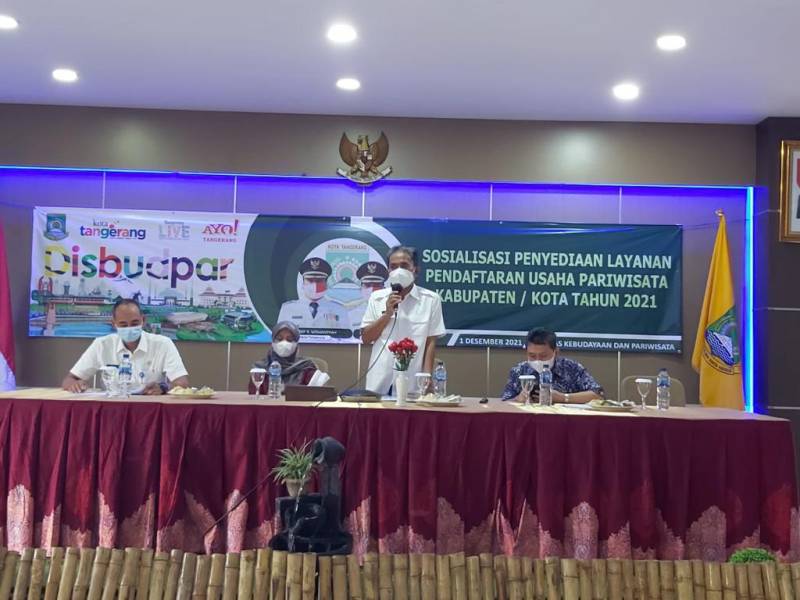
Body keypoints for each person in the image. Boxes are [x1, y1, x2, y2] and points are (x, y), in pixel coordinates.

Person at [361, 245, 446, 395]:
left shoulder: (431, 300)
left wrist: (427, 376)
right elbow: (367, 338)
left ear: (415, 270)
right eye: (393, 267)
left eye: (404, 266)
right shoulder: (377, 298)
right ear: (388, 271)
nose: (398, 271)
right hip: (380, 379)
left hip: (413, 380)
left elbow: (430, 342)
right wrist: (387, 314)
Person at [62, 298, 189, 395]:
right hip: (112, 408)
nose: (129, 328)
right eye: (123, 325)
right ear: (114, 324)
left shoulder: (163, 344)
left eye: (135, 323)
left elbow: (182, 383)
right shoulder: (102, 344)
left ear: (143, 320)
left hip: (150, 407)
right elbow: (69, 380)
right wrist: (75, 384)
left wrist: (163, 387)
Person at [501, 328, 603, 403]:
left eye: (543, 356)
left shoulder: (572, 368)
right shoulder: (519, 371)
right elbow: (504, 402)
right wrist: (518, 399)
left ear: (556, 352)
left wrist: (563, 398)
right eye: (532, 355)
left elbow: (598, 395)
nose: (537, 360)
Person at [276, 257, 351, 331]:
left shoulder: (339, 310)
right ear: (303, 283)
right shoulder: (288, 309)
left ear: (326, 284)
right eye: (310, 280)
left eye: (319, 280)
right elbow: (281, 335)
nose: (314, 284)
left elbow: (346, 336)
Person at [249, 321, 323, 393]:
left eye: (289, 339)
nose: (284, 343)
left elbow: (313, 395)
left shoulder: (306, 367)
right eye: (279, 339)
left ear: (296, 343)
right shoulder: (260, 369)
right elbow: (254, 395)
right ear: (273, 342)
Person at [349, 261, 389, 336]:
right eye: (367, 285)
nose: (372, 289)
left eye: (377, 285)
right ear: (361, 289)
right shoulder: (352, 314)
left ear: (384, 288)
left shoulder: (391, 310)